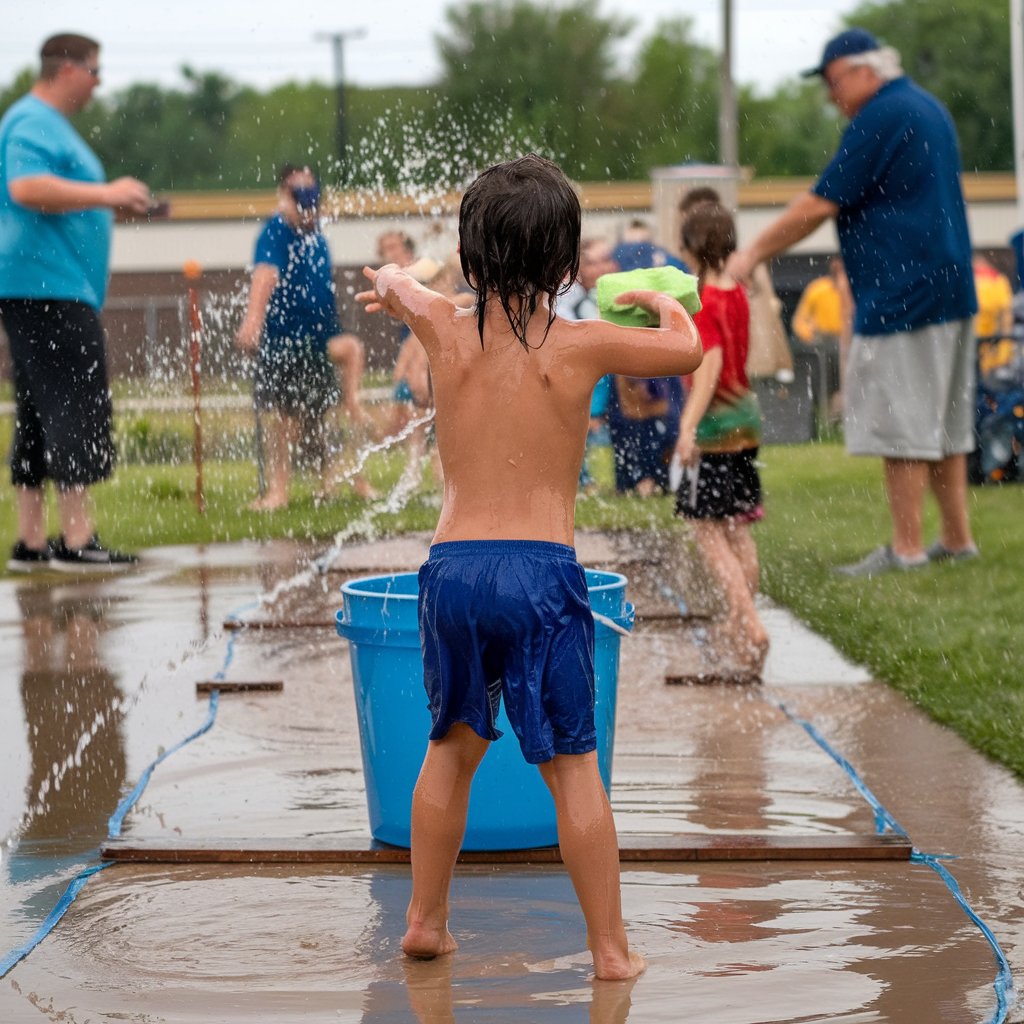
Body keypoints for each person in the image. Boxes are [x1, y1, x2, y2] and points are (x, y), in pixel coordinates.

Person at [355, 154, 702, 979]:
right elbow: (684, 353)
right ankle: (611, 951)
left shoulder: (442, 323)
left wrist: (395, 287)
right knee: (573, 768)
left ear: (473, 258)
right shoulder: (581, 343)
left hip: (452, 571)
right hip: (541, 572)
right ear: (564, 262)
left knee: (450, 750)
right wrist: (658, 300)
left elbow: (390, 274)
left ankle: (424, 921)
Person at [728, 29, 979, 575]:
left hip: (903, 292)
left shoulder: (882, 115)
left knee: (904, 427)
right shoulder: (926, 107)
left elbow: (819, 203)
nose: (829, 96)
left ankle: (906, 549)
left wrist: (752, 253)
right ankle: (958, 541)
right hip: (949, 286)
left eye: (832, 81)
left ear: (866, 71)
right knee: (946, 423)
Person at [0, 33, 152, 572]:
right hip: (49, 289)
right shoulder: (33, 122)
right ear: (68, 69)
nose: (98, 83)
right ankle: (77, 539)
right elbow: (25, 186)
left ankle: (32, 542)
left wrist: (110, 206)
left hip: (41, 287)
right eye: (94, 71)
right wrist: (108, 193)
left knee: (40, 413)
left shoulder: (40, 122)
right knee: (75, 406)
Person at [235, 164, 370, 509]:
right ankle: (278, 492)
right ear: (284, 198)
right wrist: (253, 321)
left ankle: (332, 482)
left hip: (319, 336)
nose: (309, 204)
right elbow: (265, 274)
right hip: (285, 338)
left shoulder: (317, 235)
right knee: (284, 420)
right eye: (300, 195)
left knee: (323, 412)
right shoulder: (276, 231)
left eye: (314, 195)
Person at [675, 201, 768, 677]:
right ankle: (739, 619)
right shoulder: (737, 293)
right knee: (738, 527)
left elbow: (708, 366)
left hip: (715, 425)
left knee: (708, 532)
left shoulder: (704, 300)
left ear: (691, 246)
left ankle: (749, 622)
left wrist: (688, 428)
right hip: (746, 418)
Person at [791, 256, 853, 420]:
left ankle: (844, 416)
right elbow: (799, 320)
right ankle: (827, 418)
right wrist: (810, 336)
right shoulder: (817, 289)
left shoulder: (853, 288)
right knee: (825, 382)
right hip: (824, 342)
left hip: (849, 340)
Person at [972, 253, 1014, 341]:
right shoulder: (1000, 280)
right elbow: (1006, 315)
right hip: (991, 338)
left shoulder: (971, 281)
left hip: (976, 337)